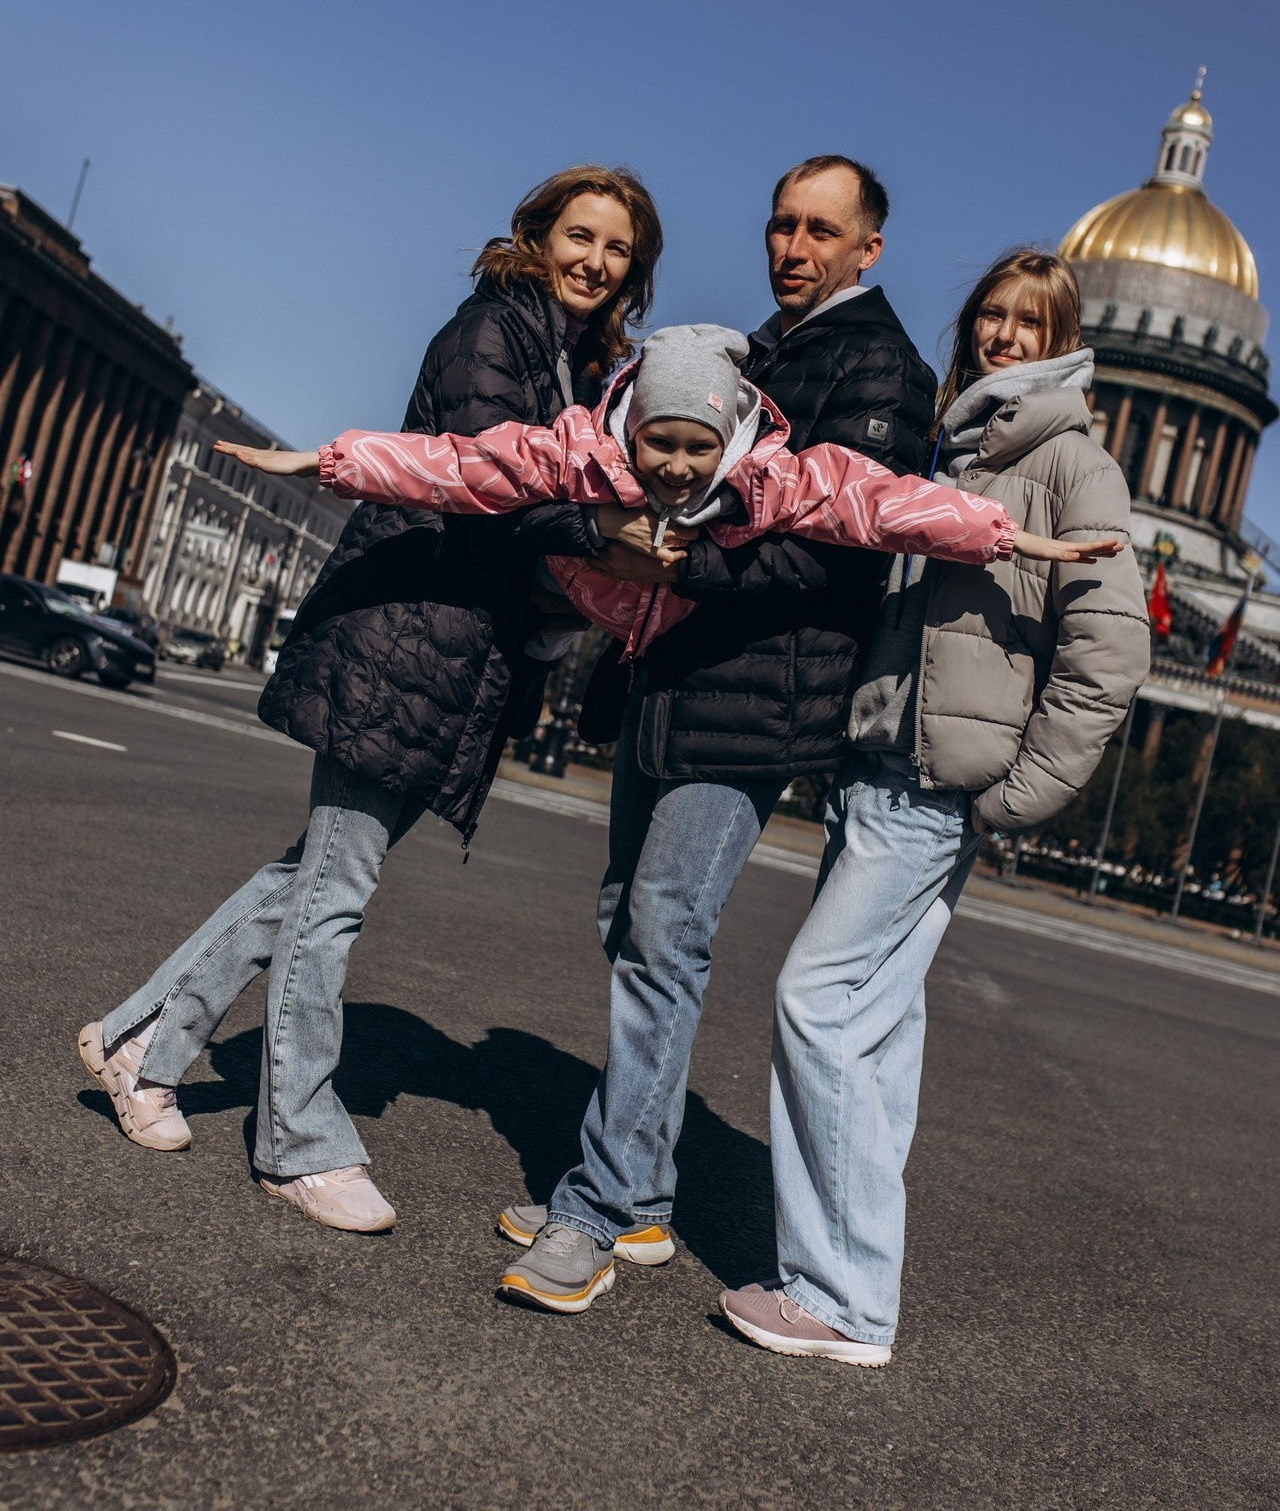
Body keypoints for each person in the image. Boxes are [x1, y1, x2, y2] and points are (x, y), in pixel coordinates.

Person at [77, 165, 662, 1234]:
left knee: (311, 873)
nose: (595, 260)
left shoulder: (570, 366)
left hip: (444, 646)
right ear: (535, 236)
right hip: (401, 631)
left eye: (617, 249)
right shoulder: (494, 334)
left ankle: (139, 1042)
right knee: (332, 891)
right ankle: (296, 1139)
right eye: (579, 236)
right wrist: (610, 542)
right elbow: (496, 486)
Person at [497, 155, 941, 1309]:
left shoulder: (880, 366)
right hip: (677, 674)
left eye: (818, 230)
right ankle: (638, 1191)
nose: (790, 246)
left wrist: (683, 561)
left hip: (757, 698)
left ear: (866, 249)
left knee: (662, 935)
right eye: (780, 224)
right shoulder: (768, 349)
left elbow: (843, 546)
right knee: (625, 922)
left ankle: (593, 1214)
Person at [719, 248, 1151, 1365]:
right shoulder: (952, 448)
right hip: (875, 766)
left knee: (815, 1004)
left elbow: (1108, 654)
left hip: (929, 787)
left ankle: (842, 1297)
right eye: (990, 317)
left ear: (1063, 343)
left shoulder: (1069, 465)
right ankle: (850, 1292)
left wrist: (1015, 791)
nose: (1001, 337)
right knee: (871, 1039)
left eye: (1028, 322)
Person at [220, 323, 1116, 644]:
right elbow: (461, 465)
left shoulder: (778, 478)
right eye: (659, 445)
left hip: (668, 627)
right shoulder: (581, 451)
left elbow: (885, 505)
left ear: (728, 437)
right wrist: (327, 460)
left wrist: (1011, 536)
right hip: (593, 601)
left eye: (697, 448)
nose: (676, 468)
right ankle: (551, 623)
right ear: (630, 426)